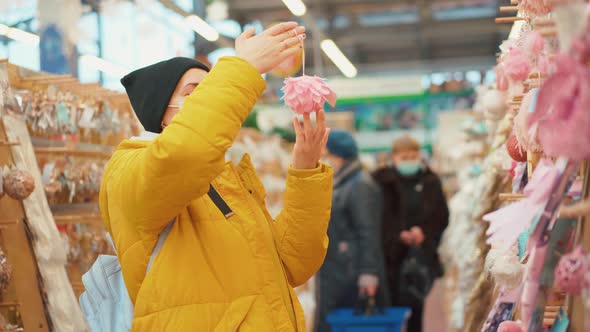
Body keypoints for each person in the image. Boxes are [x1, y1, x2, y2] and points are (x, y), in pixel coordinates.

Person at [100, 22, 333, 331]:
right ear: (162, 110)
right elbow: (186, 152)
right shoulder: (129, 168)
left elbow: (295, 264)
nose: (210, 96)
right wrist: (242, 69)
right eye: (196, 91)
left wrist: (304, 172)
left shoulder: (229, 177)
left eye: (211, 88)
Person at [373, 135, 449, 332]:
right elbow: (375, 217)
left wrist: (423, 232)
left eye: (413, 156)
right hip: (389, 257)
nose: (409, 161)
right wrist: (396, 234)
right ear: (394, 157)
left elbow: (441, 215)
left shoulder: (430, 182)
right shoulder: (380, 182)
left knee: (417, 307)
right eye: (404, 157)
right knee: (390, 309)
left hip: (420, 255)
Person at [316, 130, 387, 332]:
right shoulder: (344, 181)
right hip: (339, 268)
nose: (323, 159)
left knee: (347, 323)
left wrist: (368, 272)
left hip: (351, 271)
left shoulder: (360, 185)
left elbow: (368, 231)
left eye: (326, 154)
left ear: (340, 155)